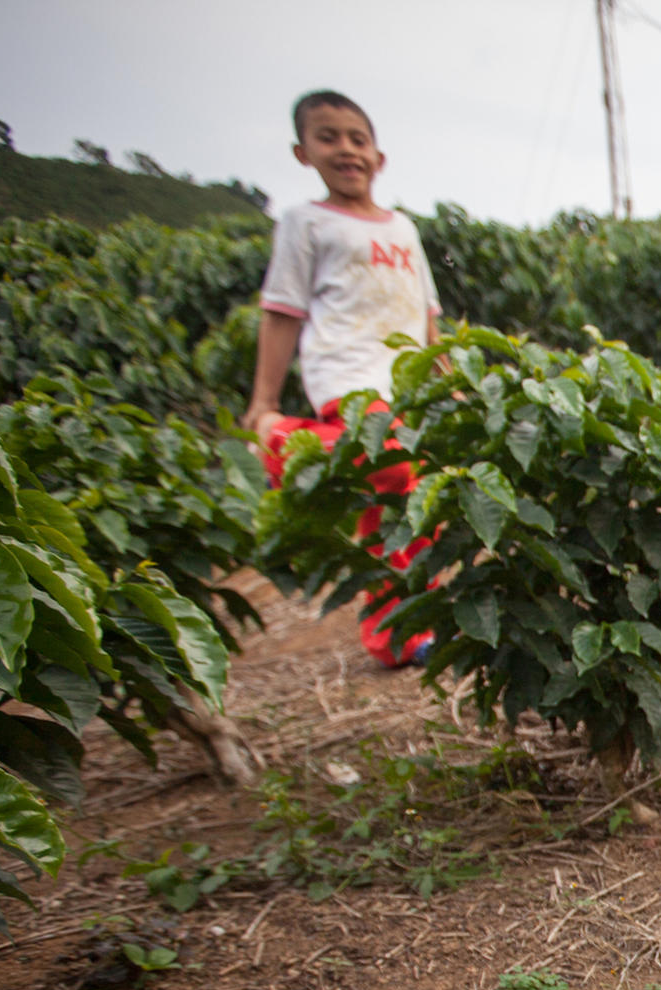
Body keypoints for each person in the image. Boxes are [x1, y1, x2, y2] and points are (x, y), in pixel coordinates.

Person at [244, 89, 439, 668]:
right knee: (398, 473)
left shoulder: (403, 227)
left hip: (405, 386)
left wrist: (449, 381)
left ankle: (399, 636)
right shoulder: (305, 223)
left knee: (405, 514)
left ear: (379, 156)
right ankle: (285, 439)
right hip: (349, 384)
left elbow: (427, 314)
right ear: (302, 152)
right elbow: (282, 310)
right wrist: (263, 402)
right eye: (328, 137)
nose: (346, 149)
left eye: (358, 139)